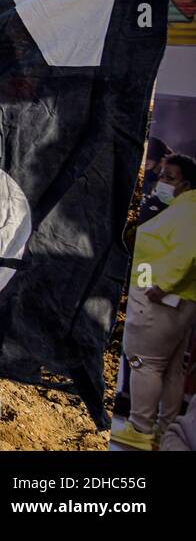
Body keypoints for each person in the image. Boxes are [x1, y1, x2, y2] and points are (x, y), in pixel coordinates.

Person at [114, 153, 196, 450]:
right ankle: (164, 427)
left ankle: (140, 428)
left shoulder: (188, 210)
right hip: (180, 299)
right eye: (160, 175)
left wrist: (163, 284)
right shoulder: (183, 207)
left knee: (144, 363)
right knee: (172, 369)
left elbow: (188, 251)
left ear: (186, 184)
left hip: (160, 297)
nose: (161, 181)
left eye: (169, 177)